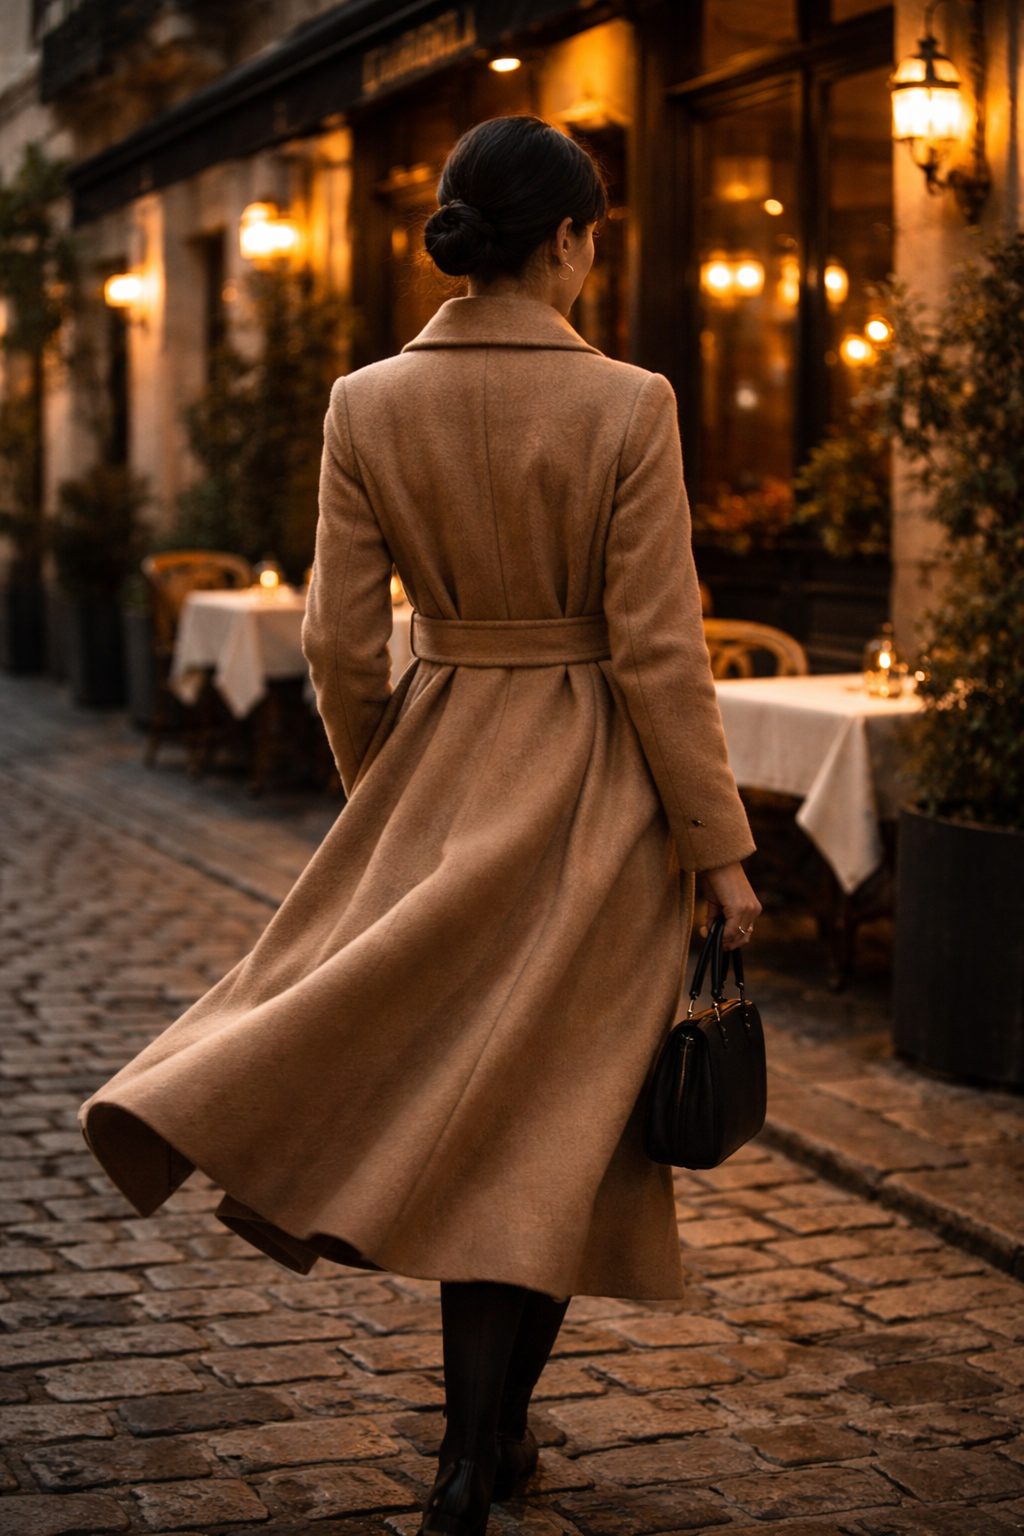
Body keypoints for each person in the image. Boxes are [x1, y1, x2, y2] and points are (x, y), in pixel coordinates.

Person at [77, 114, 761, 1536]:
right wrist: (723, 849)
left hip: (442, 770)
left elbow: (337, 639)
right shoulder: (630, 402)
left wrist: (385, 781)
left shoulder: (361, 402)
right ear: (571, 239)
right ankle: (485, 1441)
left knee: (493, 1121)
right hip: (601, 805)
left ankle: (476, 1460)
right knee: (564, 1133)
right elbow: (657, 651)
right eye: (593, 237)